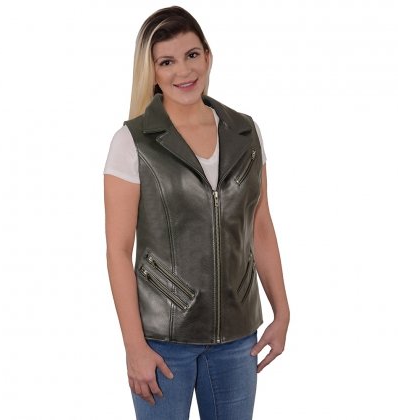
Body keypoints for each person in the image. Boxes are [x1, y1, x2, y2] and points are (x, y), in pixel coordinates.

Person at [103, 5, 290, 420]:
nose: (183, 71)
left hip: (238, 339)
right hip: (161, 341)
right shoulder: (132, 142)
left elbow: (260, 226)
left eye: (191, 55)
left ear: (208, 56)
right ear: (152, 72)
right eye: (166, 62)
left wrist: (282, 311)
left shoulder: (245, 131)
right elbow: (118, 250)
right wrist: (134, 347)